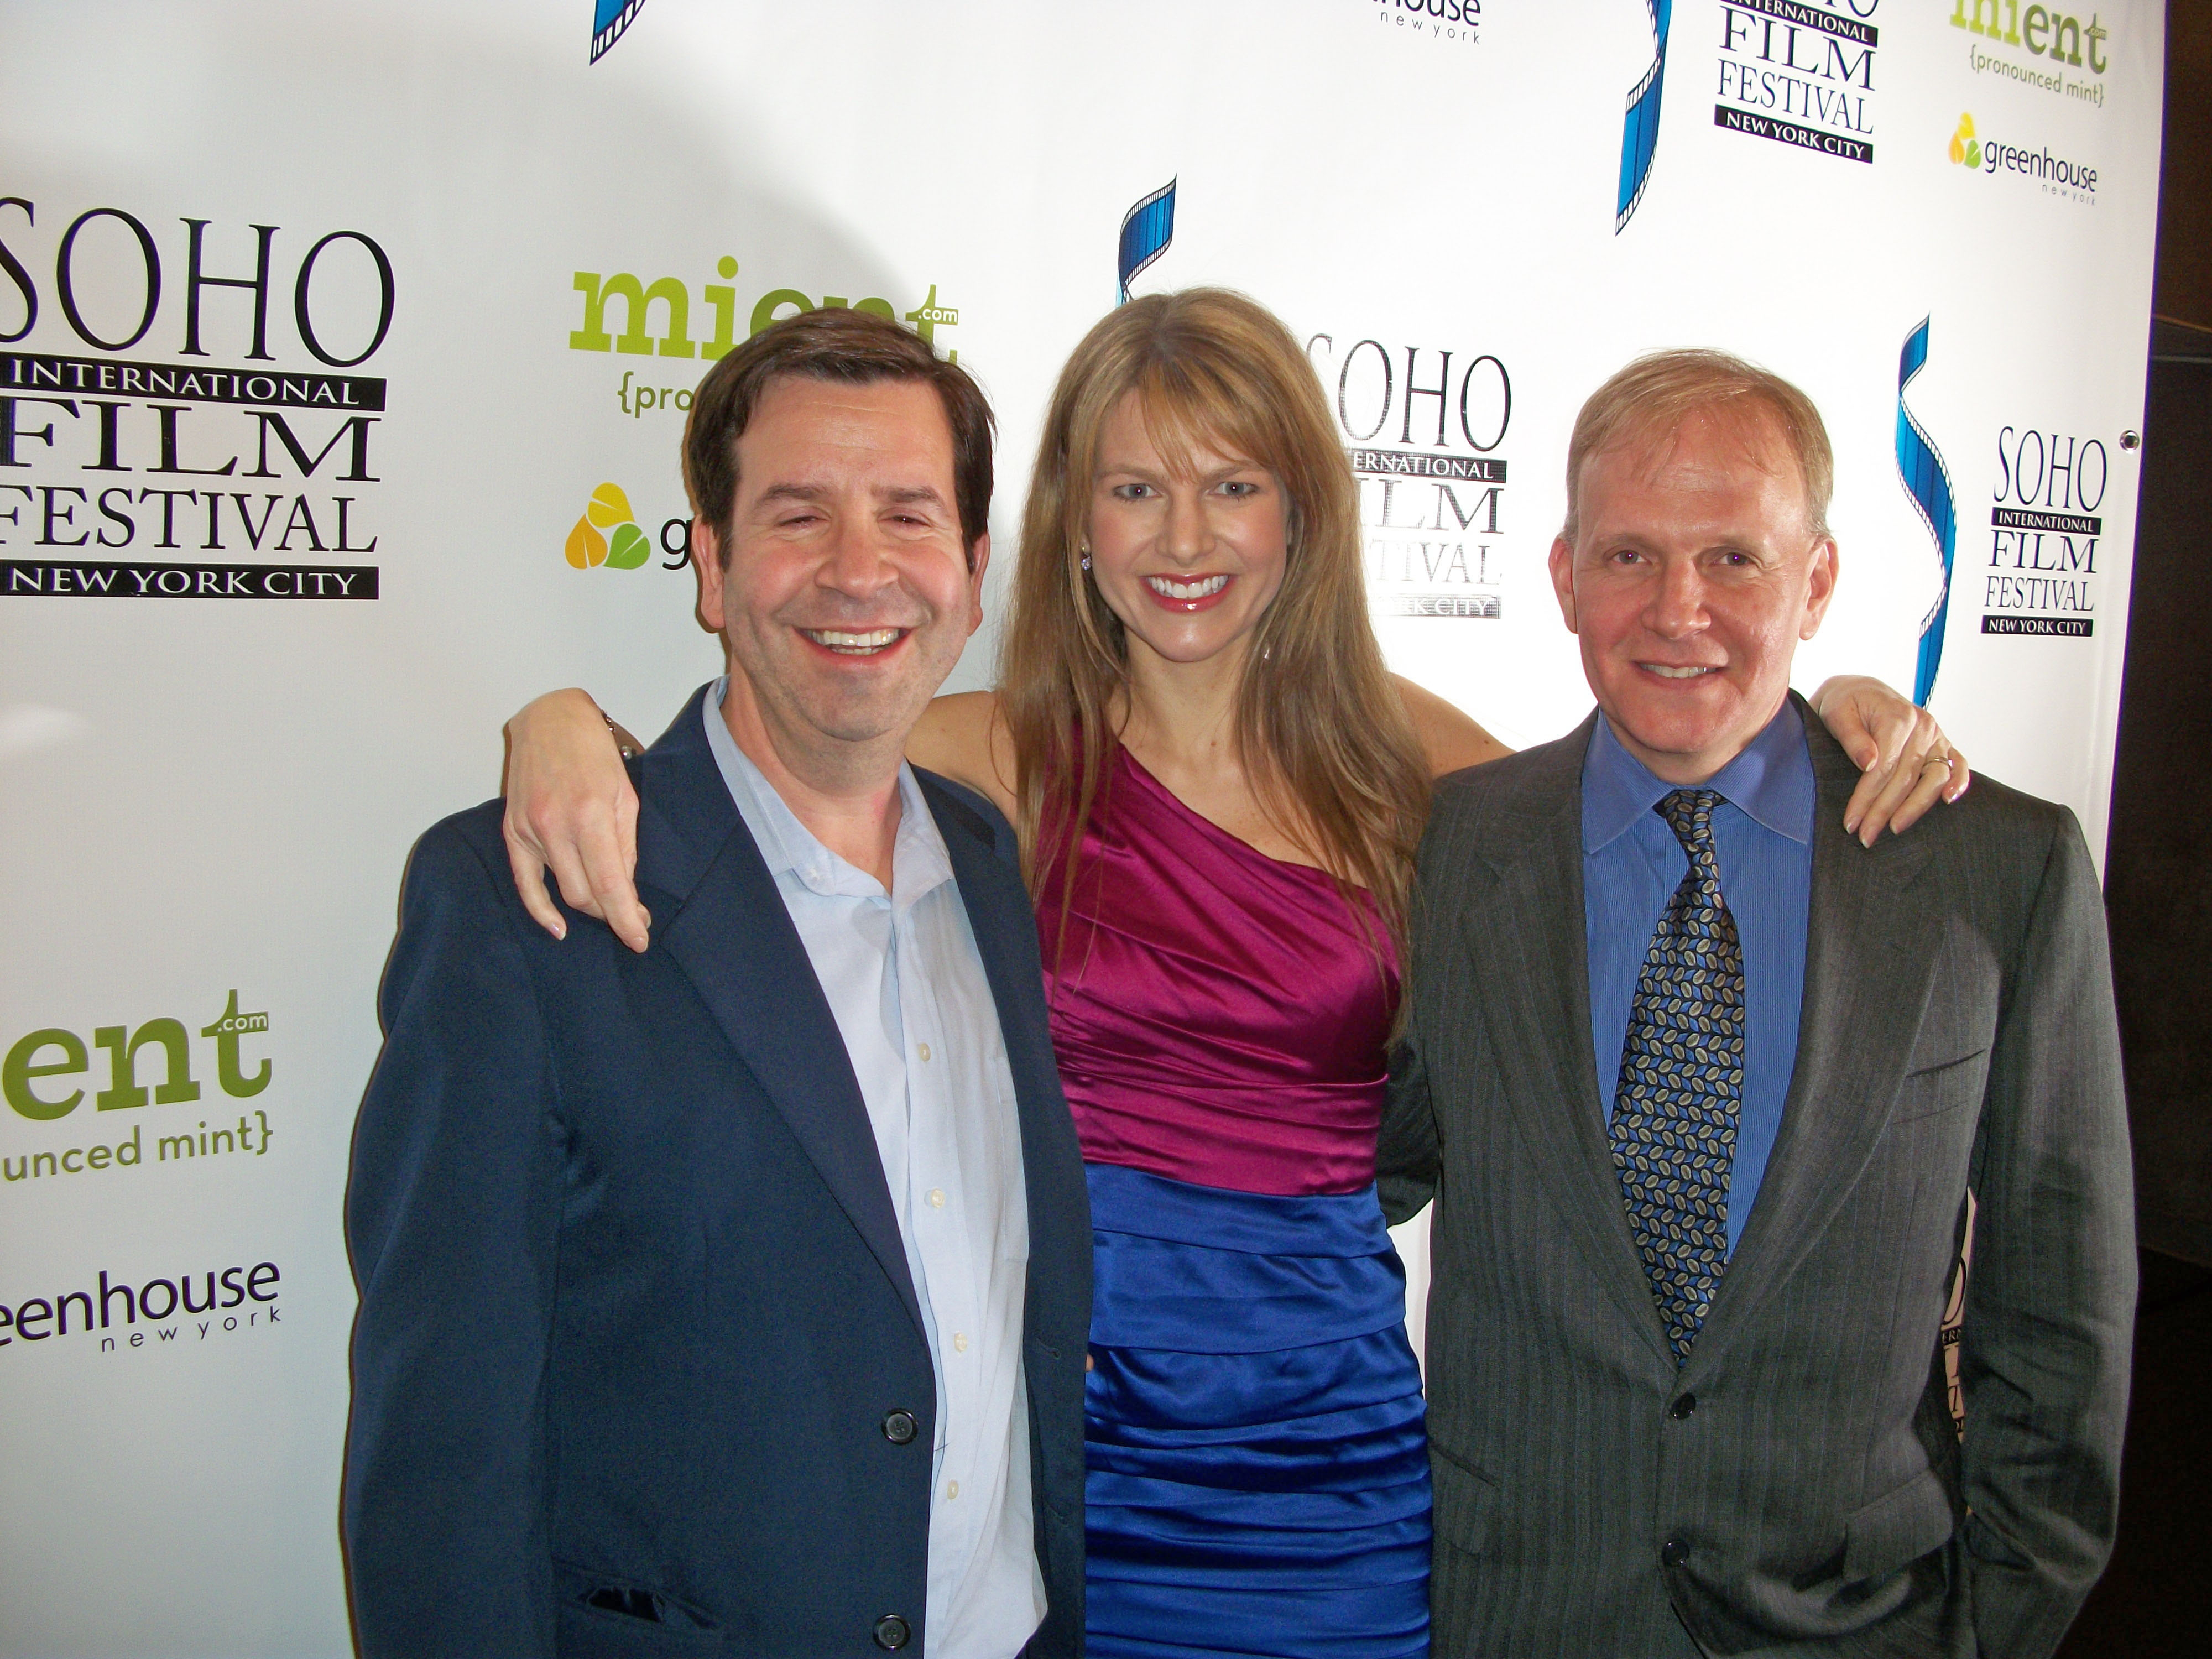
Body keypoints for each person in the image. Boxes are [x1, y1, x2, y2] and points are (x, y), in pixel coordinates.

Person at [498, 293, 1968, 1658]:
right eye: (1136, 489)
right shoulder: (987, 755)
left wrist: (1828, 710)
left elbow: (1670, 787)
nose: (1182, 535)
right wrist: (560, 720)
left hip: (1333, 1459)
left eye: (1234, 485)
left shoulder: (1417, 766)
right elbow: (734, 785)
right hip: (1062, 1442)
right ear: (1075, 526)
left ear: (1301, 516)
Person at [342, 309, 1091, 1658]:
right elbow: (444, 1454)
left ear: (973, 574)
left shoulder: (986, 864)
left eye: (909, 518)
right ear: (710, 566)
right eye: (798, 515)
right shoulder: (523, 902)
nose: (859, 572)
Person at [1378, 351, 2135, 1657]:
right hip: (1513, 1616)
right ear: (1562, 577)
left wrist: (1997, 1627)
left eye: (1732, 558)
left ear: (1818, 581)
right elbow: (1343, 1178)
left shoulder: (1994, 874)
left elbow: (2060, 1320)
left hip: (1862, 1626)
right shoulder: (1445, 853)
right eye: (1627, 557)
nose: (1678, 611)